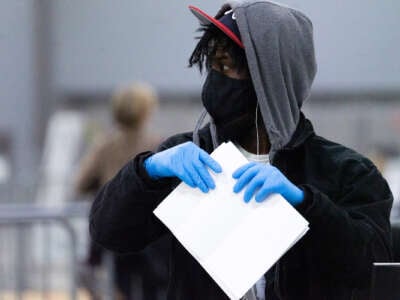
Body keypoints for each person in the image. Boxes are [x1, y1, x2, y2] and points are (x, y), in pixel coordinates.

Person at [89, 2, 393, 299]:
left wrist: (306, 203)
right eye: (213, 65)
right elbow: (109, 231)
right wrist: (148, 171)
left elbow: (371, 266)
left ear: (270, 79)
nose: (215, 79)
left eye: (227, 66)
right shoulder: (189, 159)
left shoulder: (346, 172)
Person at [75, 82, 168, 300]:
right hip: (152, 233)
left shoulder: (105, 145)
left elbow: (80, 182)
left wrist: (101, 185)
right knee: (155, 289)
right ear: (146, 112)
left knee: (122, 287)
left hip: (119, 227)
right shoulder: (157, 144)